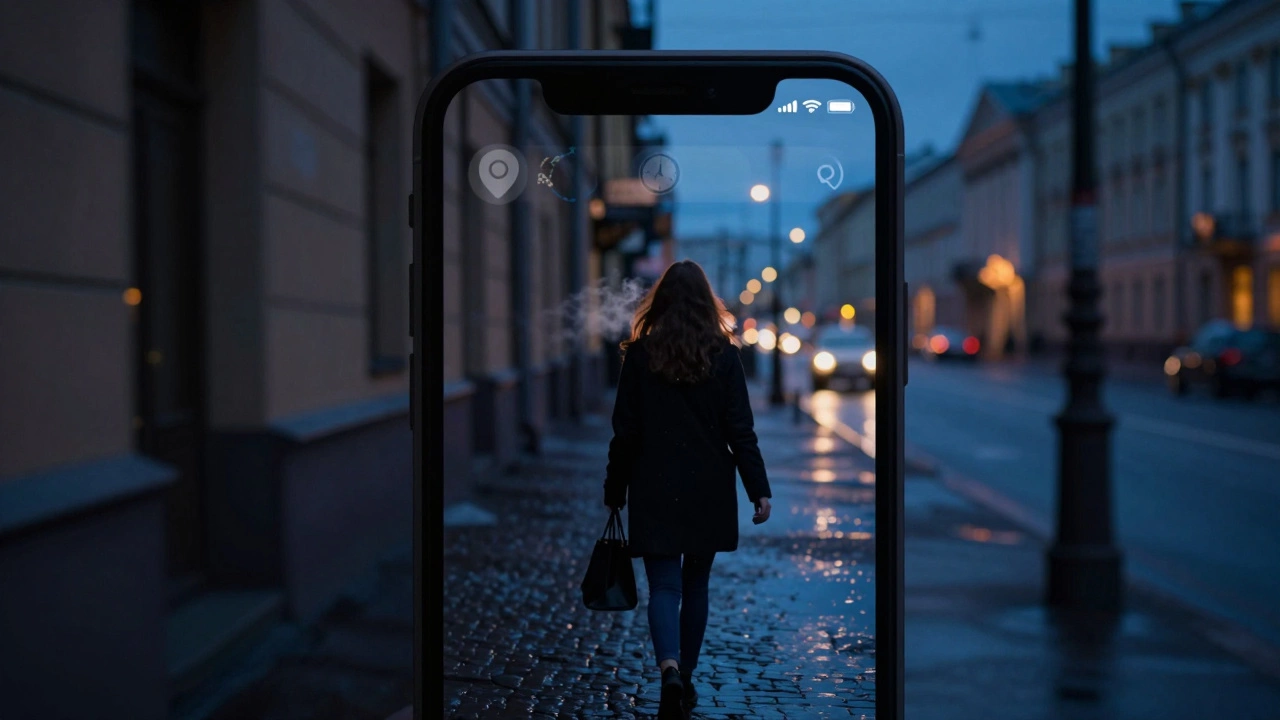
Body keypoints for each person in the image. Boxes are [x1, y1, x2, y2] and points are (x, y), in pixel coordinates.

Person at [603, 260, 773, 720]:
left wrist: (614, 488)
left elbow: (626, 433)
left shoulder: (640, 356)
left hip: (654, 482)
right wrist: (758, 489)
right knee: (696, 585)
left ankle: (670, 671)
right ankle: (688, 678)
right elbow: (741, 430)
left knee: (664, 585)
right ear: (706, 303)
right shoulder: (724, 355)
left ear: (660, 304)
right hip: (708, 486)